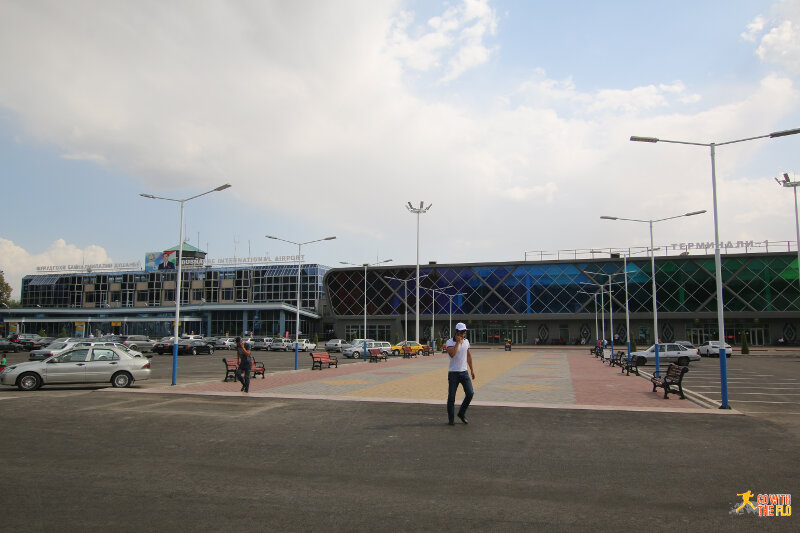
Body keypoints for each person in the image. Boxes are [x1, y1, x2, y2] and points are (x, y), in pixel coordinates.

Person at [444, 322, 475, 425]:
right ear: (456, 332)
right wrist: (457, 343)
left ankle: (461, 413)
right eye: (461, 332)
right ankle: (451, 419)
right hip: (453, 373)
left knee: (470, 393)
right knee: (451, 397)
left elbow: (469, 356)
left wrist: (472, 370)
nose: (463, 334)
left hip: (464, 372)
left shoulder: (466, 342)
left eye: (464, 332)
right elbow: (452, 354)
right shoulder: (449, 342)